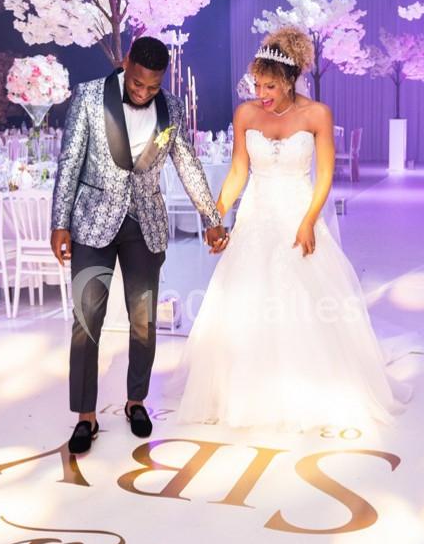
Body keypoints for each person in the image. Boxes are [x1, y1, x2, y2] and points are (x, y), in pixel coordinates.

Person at [175, 26, 409, 430]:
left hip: (299, 215)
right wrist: (216, 216)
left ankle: (307, 392)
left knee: (307, 306)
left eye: (269, 85)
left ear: (289, 80)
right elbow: (237, 172)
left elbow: (324, 177)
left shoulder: (316, 114)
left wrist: (308, 221)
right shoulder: (246, 114)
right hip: (255, 216)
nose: (260, 93)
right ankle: (245, 393)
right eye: (257, 84)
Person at [50, 36, 228, 454]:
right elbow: (70, 160)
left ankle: (136, 401)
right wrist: (59, 222)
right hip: (92, 222)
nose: (145, 93)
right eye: (137, 85)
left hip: (144, 225)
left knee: (144, 320)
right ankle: (86, 416)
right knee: (86, 321)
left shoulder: (170, 106)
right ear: (126, 63)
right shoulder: (90, 97)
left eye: (152, 87)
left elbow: (187, 162)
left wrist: (212, 217)